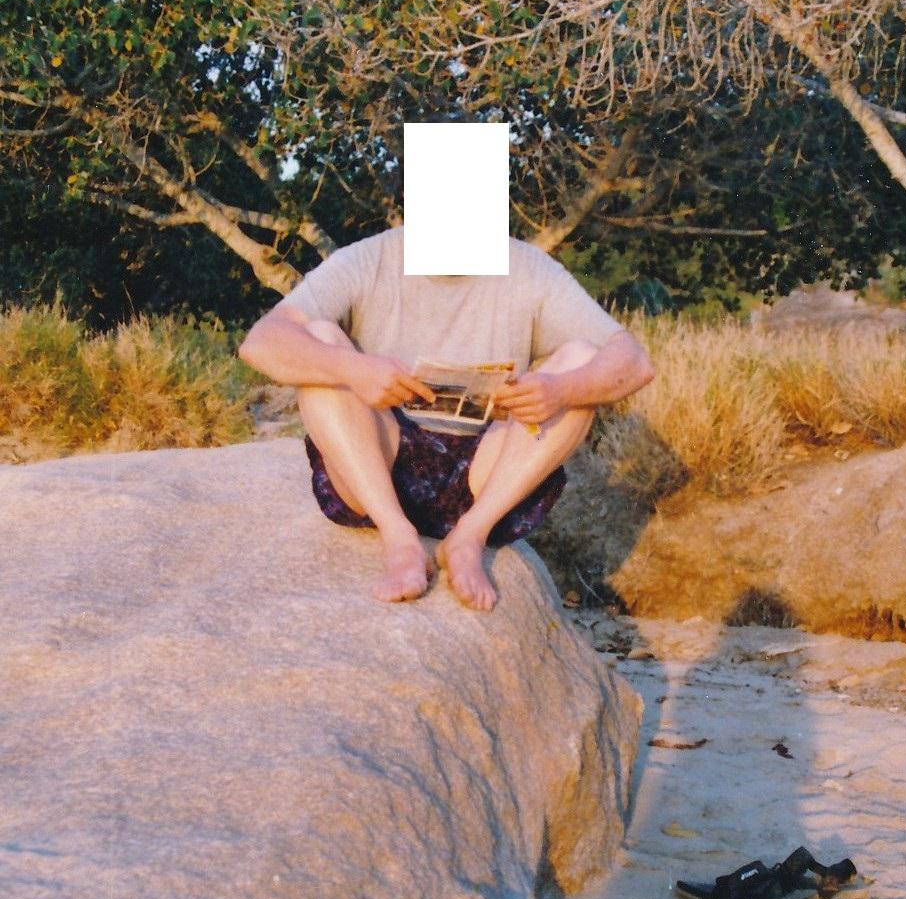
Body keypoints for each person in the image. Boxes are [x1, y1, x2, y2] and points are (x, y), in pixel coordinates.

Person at [238, 225, 654, 611]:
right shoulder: (368, 258)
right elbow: (261, 342)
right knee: (320, 341)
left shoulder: (527, 266)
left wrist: (560, 390)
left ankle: (468, 539)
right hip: (378, 468)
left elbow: (633, 361)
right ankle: (400, 540)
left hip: (484, 478)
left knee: (581, 361)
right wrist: (354, 370)